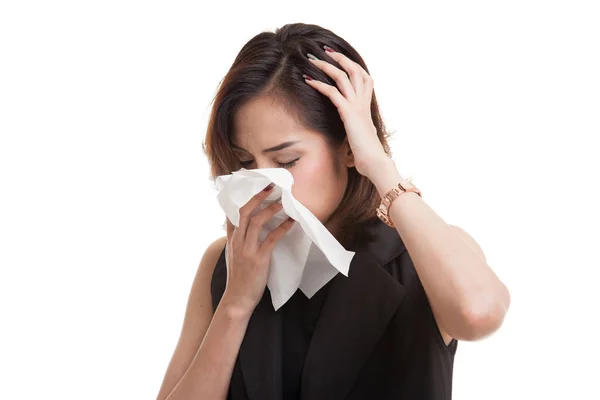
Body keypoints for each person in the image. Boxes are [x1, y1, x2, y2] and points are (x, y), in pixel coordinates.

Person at [155, 22, 511, 400]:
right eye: (245, 163)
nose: (263, 184)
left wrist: (379, 165)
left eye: (287, 160)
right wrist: (236, 303)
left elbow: (478, 313)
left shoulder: (421, 256)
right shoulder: (225, 262)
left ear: (347, 146)